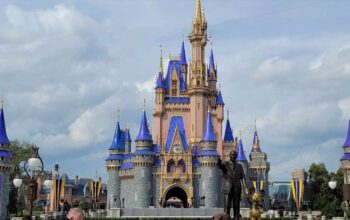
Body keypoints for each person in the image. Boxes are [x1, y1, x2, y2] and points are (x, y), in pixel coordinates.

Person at [218, 150, 248, 220]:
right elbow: (220, 165)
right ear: (229, 155)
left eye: (234, 155)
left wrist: (245, 188)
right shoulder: (225, 164)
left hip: (237, 189)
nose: (233, 156)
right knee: (227, 207)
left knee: (236, 207)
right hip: (228, 188)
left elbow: (243, 177)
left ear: (236, 156)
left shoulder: (240, 166)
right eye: (232, 155)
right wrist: (218, 160)